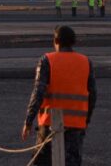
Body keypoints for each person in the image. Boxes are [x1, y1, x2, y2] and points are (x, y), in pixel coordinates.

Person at [21, 25, 96, 166]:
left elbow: (38, 92)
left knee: (41, 161)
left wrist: (28, 121)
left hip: (50, 125)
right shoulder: (86, 62)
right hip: (76, 126)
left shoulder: (47, 60)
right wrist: (86, 120)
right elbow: (92, 95)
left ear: (56, 41)